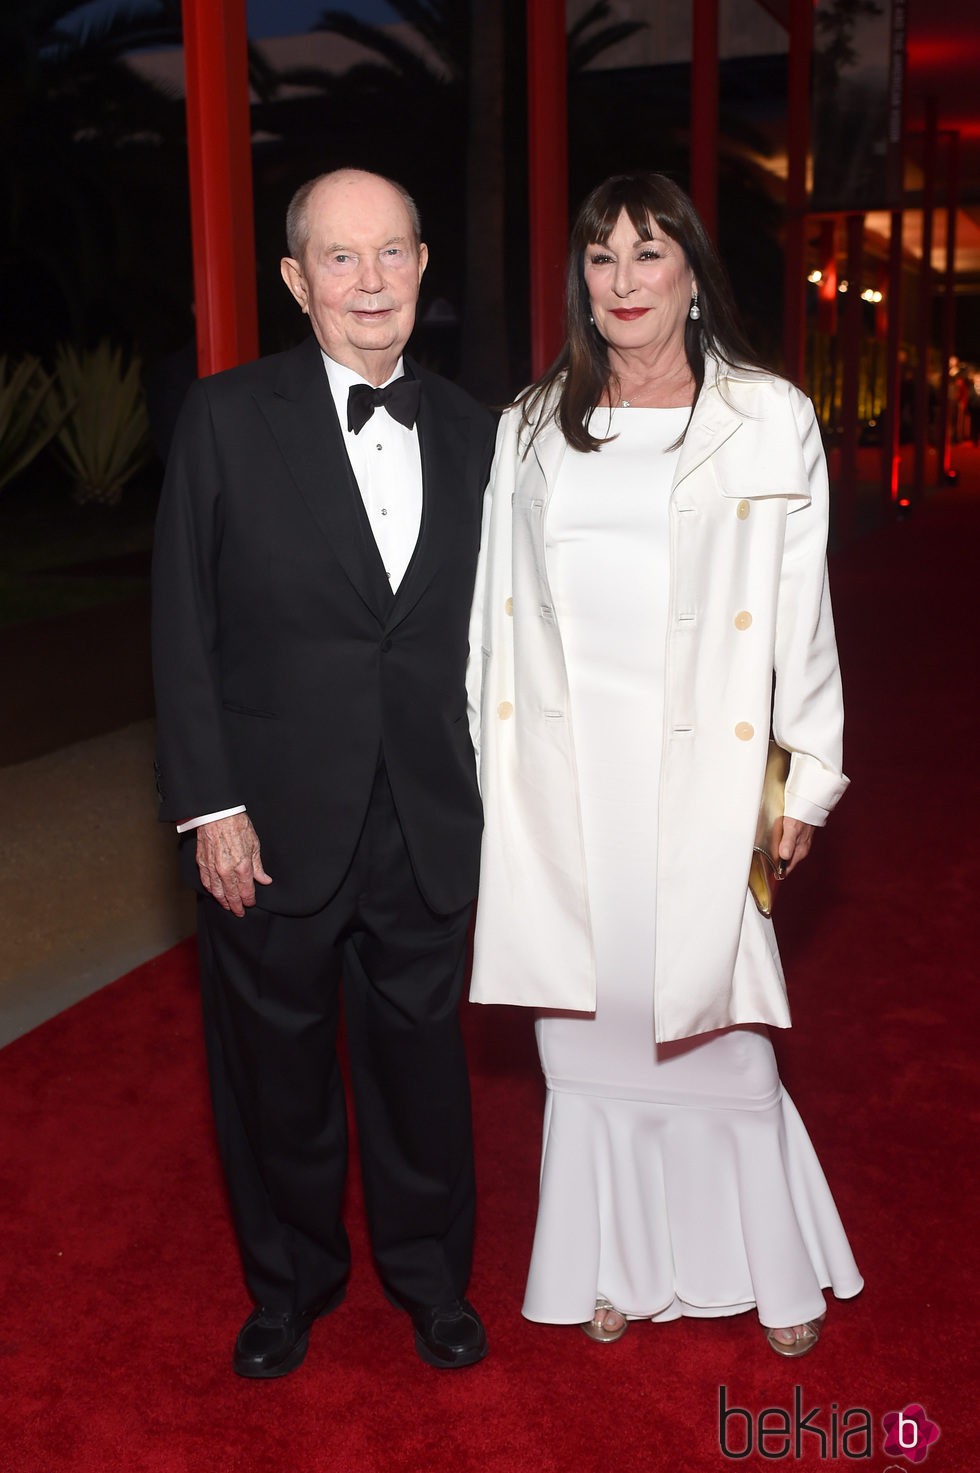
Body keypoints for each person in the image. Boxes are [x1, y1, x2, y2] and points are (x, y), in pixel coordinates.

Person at [467, 173, 863, 1355]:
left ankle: (766, 1265)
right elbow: (494, 617)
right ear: (579, 284)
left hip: (703, 766)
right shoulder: (530, 423)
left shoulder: (766, 414)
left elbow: (804, 612)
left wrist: (809, 773)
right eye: (599, 260)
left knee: (711, 1021)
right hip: (563, 768)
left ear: (691, 272)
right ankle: (610, 1261)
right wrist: (494, 776)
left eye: (647, 255)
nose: (622, 282)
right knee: (584, 1029)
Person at [152, 169, 495, 1377]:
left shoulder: (473, 428)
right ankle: (287, 1288)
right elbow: (180, 623)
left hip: (426, 812)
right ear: (296, 283)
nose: (368, 281)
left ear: (419, 269)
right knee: (275, 1078)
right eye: (338, 260)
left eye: (390, 252)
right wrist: (210, 804)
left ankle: (432, 1283)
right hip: (270, 819)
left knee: (422, 1071)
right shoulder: (224, 417)